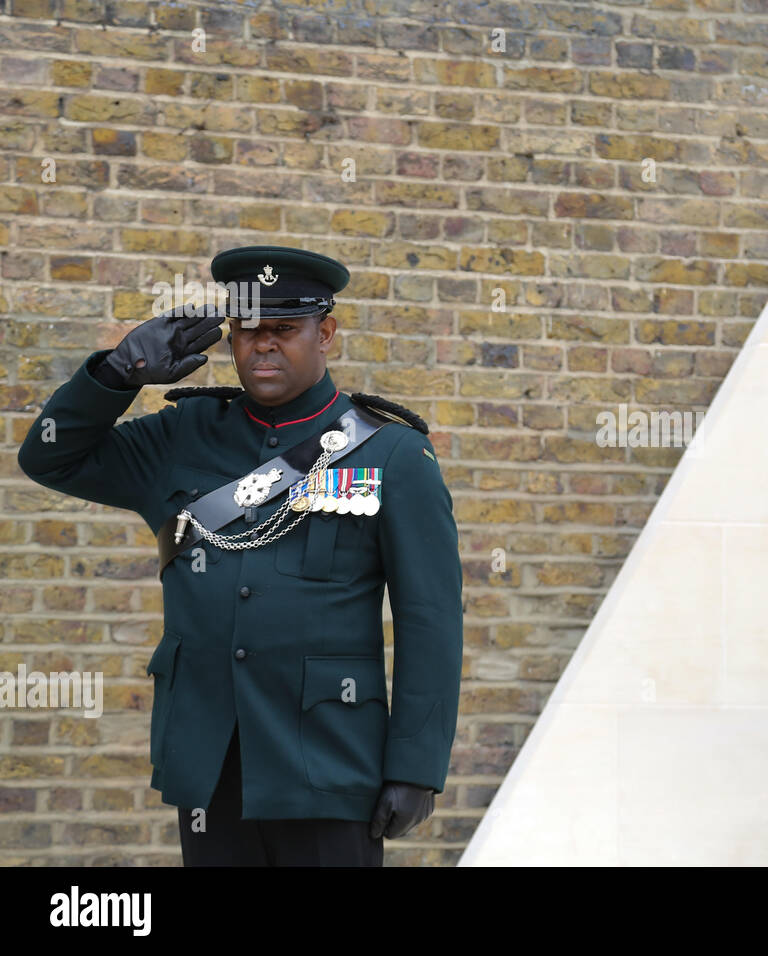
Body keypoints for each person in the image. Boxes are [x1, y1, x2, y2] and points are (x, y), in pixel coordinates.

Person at [16, 245, 463, 866]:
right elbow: (49, 457)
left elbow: (430, 619)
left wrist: (417, 767)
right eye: (249, 330)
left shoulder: (391, 456)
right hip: (210, 758)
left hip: (328, 763)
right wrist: (115, 376)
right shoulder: (181, 435)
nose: (265, 346)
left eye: (286, 329)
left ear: (325, 333)